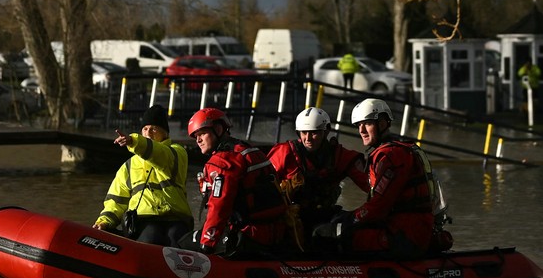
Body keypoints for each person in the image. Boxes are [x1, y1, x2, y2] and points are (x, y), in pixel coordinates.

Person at [313, 97, 448, 259]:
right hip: (413, 229)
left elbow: (379, 205)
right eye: (359, 125)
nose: (362, 130)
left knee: (327, 235)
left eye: (367, 124)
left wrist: (349, 220)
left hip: (404, 235)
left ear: (382, 124)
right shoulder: (403, 149)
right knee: (338, 220)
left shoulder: (390, 156)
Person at [186, 105, 290, 256]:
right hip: (275, 231)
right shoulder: (250, 150)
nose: (198, 140)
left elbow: (219, 206)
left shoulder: (223, 161)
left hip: (249, 235)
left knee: (184, 242)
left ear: (218, 129)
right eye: (196, 136)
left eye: (202, 134)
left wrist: (207, 245)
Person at [92, 104, 192, 246]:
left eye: (154, 129)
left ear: (165, 133)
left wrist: (134, 141)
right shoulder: (128, 166)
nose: (148, 133)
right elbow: (116, 201)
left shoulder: (177, 153)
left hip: (176, 218)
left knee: (175, 237)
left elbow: (159, 153)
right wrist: (103, 222)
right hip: (143, 220)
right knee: (151, 235)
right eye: (145, 129)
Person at [268, 106, 368, 247]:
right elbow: (263, 186)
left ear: (325, 132)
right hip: (291, 218)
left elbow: (370, 185)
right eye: (304, 133)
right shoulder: (284, 153)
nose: (308, 138)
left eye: (314, 133)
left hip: (324, 215)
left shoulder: (340, 157)